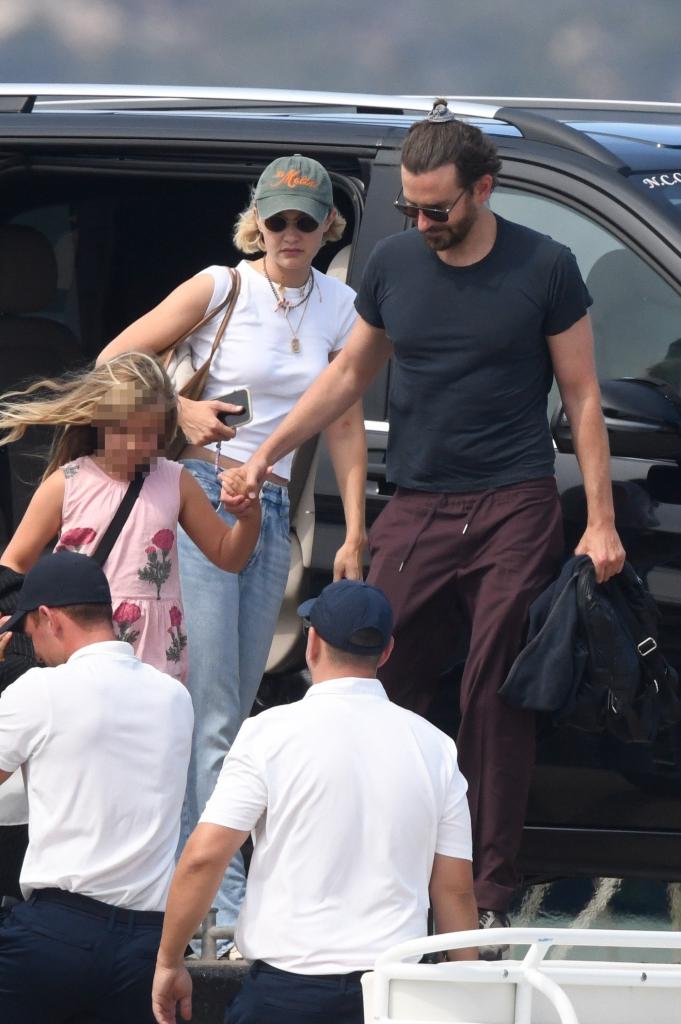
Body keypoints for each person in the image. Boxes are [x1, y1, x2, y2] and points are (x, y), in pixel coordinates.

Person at [233, 99, 627, 955]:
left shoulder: (545, 265)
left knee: (495, 686)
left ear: (482, 190)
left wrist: (598, 521)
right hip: (415, 499)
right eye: (409, 208)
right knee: (365, 674)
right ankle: (354, 866)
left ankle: (482, 891)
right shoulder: (393, 262)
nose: (420, 222)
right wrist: (266, 454)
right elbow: (348, 376)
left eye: (435, 209)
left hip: (513, 499)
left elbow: (584, 395)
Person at [97, 153, 367, 944]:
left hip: (270, 505)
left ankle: (196, 892)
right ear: (257, 220)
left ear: (327, 227)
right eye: (277, 219)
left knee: (234, 710)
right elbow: (118, 356)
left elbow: (345, 414)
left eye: (305, 220)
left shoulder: (340, 305)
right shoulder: (222, 286)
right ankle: (220, 908)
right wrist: (177, 414)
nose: (290, 233)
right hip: (200, 494)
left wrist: (353, 529)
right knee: (209, 708)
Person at [151, 579, 477, 1024]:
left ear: (312, 643)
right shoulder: (436, 748)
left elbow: (203, 858)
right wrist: (472, 993)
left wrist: (169, 961)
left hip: (285, 996)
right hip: (396, 999)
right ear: (386, 652)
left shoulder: (268, 734)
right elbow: (454, 889)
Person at [0, 551, 194, 1023]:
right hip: (148, 945)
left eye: (30, 633)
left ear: (48, 618)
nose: (35, 649)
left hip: (55, 935)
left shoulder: (39, 690)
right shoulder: (175, 698)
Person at [0, 351, 260, 683]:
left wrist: (249, 517)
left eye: (150, 433)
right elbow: (14, 563)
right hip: (80, 653)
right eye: (124, 430)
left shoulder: (175, 480)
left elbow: (228, 555)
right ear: (100, 421)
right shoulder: (67, 484)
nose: (137, 444)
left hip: (157, 657)